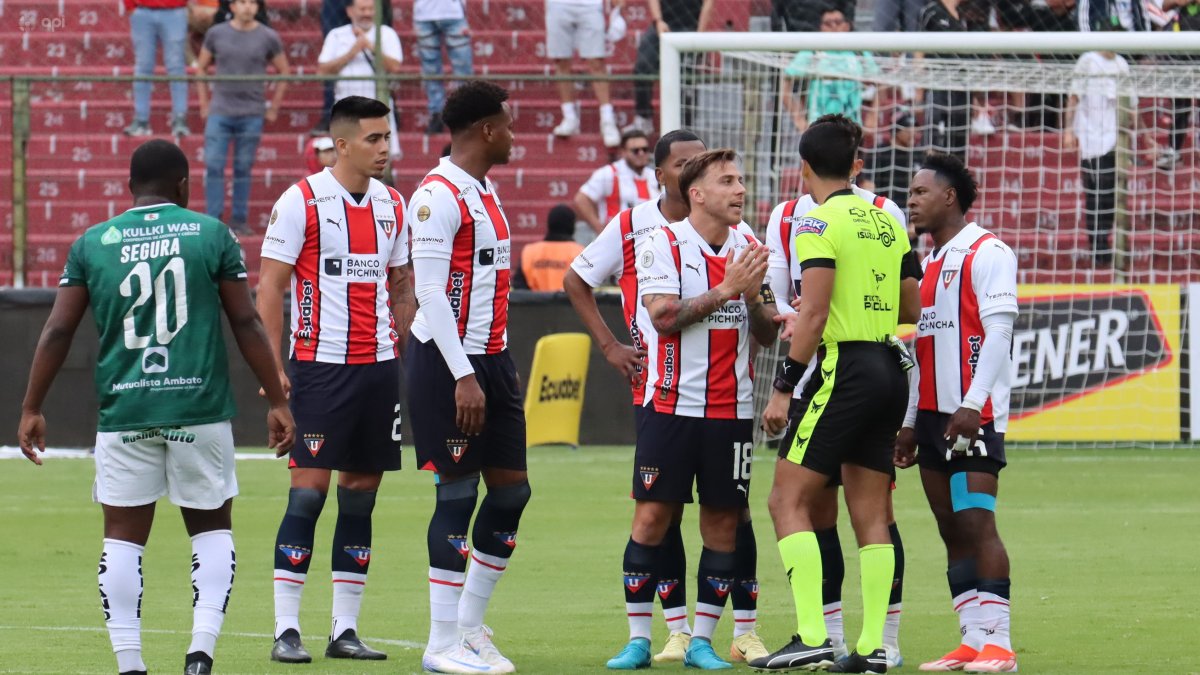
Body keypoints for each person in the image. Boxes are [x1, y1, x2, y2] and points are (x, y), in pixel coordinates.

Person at [17, 139, 295, 675]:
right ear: (184, 185)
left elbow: (56, 329)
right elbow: (246, 321)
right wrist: (278, 399)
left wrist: (32, 406)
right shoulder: (211, 234)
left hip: (125, 411)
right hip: (199, 407)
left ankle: (130, 665)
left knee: (122, 537)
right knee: (211, 530)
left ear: (129, 188)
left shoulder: (93, 242)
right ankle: (200, 654)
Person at [564, 131, 772, 668]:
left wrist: (765, 305)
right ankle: (641, 637)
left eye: (740, 179)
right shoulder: (655, 238)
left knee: (724, 523)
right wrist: (729, 290)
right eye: (727, 180)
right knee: (654, 519)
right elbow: (663, 318)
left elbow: (767, 333)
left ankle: (702, 640)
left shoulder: (748, 243)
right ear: (690, 188)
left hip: (733, 411)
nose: (740, 190)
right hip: (668, 402)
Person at [753, 114, 921, 673]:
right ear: (856, 163)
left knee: (786, 499)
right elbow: (911, 309)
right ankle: (874, 648)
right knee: (871, 512)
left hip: (843, 367)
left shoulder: (816, 223)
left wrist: (782, 389)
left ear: (803, 167)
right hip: (888, 367)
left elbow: (816, 312)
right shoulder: (886, 220)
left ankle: (811, 635)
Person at [257, 95, 414, 664]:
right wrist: (273, 369)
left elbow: (400, 282)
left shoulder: (394, 203)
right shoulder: (300, 201)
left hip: (377, 370)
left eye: (387, 138)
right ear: (342, 144)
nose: (384, 148)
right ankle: (285, 629)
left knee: (360, 499)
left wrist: (406, 337)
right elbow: (270, 286)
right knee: (307, 495)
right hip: (318, 369)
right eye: (373, 139)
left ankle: (345, 629)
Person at [405, 80, 526, 674]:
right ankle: (439, 642)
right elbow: (429, 291)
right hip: (451, 367)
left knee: (512, 492)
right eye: (506, 124)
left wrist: (496, 362)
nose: (512, 133)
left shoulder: (485, 192)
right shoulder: (437, 195)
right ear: (484, 130)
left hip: (492, 360)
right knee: (456, 495)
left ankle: (470, 627)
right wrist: (463, 374)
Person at [894, 153, 1019, 674]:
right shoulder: (928, 266)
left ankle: (1001, 644)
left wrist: (971, 405)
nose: (911, 201)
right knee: (949, 527)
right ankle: (971, 639)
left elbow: (999, 334)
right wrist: (906, 422)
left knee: (976, 522)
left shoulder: (988, 252)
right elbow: (923, 351)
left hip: (974, 416)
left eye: (920, 192)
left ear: (949, 196)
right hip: (929, 418)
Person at [195, 0, 290, 233]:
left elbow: (284, 70)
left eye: (252, 3)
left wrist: (274, 107)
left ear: (258, 7)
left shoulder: (268, 36)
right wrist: (204, 103)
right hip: (220, 110)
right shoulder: (216, 33)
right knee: (214, 164)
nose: (247, 7)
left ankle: (239, 219)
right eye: (242, 2)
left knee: (243, 166)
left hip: (251, 112)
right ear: (232, 6)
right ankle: (213, 219)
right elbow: (201, 67)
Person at [1063, 47, 1129, 265]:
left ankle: (1106, 245)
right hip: (1091, 141)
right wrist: (1068, 130)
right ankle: (1098, 247)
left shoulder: (1121, 64)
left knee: (1109, 195)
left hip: (1113, 141)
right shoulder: (1087, 61)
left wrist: (1146, 137)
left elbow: (1131, 105)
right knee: (1095, 194)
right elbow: (1073, 97)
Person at [317, 0, 404, 160]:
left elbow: (395, 67)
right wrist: (352, 52)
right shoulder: (336, 35)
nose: (367, 13)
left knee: (381, 159)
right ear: (350, 11)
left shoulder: (386, 33)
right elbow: (323, 71)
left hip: (379, 107)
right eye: (362, 9)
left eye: (371, 9)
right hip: (346, 108)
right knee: (347, 158)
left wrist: (371, 47)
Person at [781, 7, 880, 132]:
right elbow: (786, 83)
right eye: (828, 23)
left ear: (847, 26)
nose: (833, 27)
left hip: (852, 127)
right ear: (821, 28)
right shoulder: (812, 52)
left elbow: (881, 83)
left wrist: (873, 116)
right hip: (818, 126)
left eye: (838, 22)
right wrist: (798, 118)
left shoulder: (859, 53)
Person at [628, 0, 714, 134]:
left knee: (685, 79)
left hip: (691, 28)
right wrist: (658, 21)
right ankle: (643, 117)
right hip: (664, 24)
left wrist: (699, 35)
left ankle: (685, 129)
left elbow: (708, 5)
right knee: (643, 67)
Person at [547, 0, 623, 145]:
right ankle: (569, 117)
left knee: (596, 62)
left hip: (590, 5)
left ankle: (607, 120)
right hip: (558, 4)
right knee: (561, 61)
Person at [123, 0, 191, 137]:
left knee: (176, 66)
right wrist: (130, 6)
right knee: (143, 66)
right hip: (142, 10)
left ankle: (180, 118)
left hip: (174, 10)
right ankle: (141, 119)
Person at [574, 130, 660, 235]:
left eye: (645, 149)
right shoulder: (609, 173)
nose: (641, 153)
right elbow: (581, 199)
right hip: (617, 239)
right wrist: (600, 230)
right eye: (635, 150)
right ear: (623, 152)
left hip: (647, 239)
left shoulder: (654, 176)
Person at [414, 0, 474, 135]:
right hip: (424, 13)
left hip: (453, 12)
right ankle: (437, 113)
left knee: (462, 67)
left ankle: (465, 113)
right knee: (431, 69)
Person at [514, 204, 584, 291]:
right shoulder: (580, 252)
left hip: (535, 304)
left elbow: (519, 290)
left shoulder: (529, 252)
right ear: (572, 226)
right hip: (568, 304)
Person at [863, 110, 920, 210]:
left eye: (915, 127)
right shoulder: (878, 152)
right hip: (883, 211)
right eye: (908, 127)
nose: (913, 132)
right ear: (896, 130)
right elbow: (868, 186)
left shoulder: (919, 154)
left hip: (912, 213)